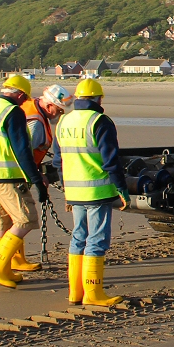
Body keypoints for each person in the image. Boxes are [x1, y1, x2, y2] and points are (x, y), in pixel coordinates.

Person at [0, 83, 73, 271]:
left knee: (0, 217)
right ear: (49, 106)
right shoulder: (36, 123)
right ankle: (2, 262)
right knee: (20, 218)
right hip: (12, 174)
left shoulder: (0, 109)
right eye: (59, 111)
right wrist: (36, 178)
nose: (59, 115)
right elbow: (23, 151)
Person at [55, 78, 129, 306]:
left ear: (78, 97)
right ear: (99, 99)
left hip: (75, 192)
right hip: (97, 192)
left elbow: (59, 161)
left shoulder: (63, 121)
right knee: (96, 240)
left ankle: (75, 292)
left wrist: (66, 189)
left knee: (78, 238)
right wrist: (122, 189)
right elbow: (111, 161)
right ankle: (94, 293)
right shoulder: (100, 121)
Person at [0, 74, 48, 288]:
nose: (24, 103)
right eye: (24, 99)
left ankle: (4, 268)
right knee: (26, 219)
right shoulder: (12, 112)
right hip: (7, 176)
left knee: (1, 221)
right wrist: (35, 179)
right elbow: (22, 150)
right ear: (19, 94)